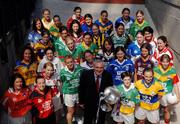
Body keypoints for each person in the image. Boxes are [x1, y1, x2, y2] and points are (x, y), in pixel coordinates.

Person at [79, 59, 113, 124]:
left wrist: (109, 102)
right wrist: (81, 102)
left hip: (102, 103)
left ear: (104, 67)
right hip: (89, 103)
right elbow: (81, 88)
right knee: (87, 120)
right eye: (97, 67)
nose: (99, 70)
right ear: (93, 67)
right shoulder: (85, 74)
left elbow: (109, 89)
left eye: (101, 68)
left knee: (100, 120)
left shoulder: (108, 75)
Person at [154, 54, 180, 124]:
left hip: (167, 93)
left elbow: (175, 84)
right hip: (157, 93)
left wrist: (178, 97)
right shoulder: (155, 70)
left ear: (169, 62)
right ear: (160, 62)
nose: (165, 64)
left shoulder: (172, 71)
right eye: (163, 62)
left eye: (167, 62)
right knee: (155, 110)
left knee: (166, 110)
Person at [60, 55, 83, 124]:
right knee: (70, 111)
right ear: (65, 63)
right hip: (68, 93)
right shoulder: (63, 72)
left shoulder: (79, 68)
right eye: (68, 62)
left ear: (73, 61)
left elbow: (82, 78)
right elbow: (62, 81)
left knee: (77, 107)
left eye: (71, 62)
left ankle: (76, 117)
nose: (70, 64)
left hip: (78, 92)